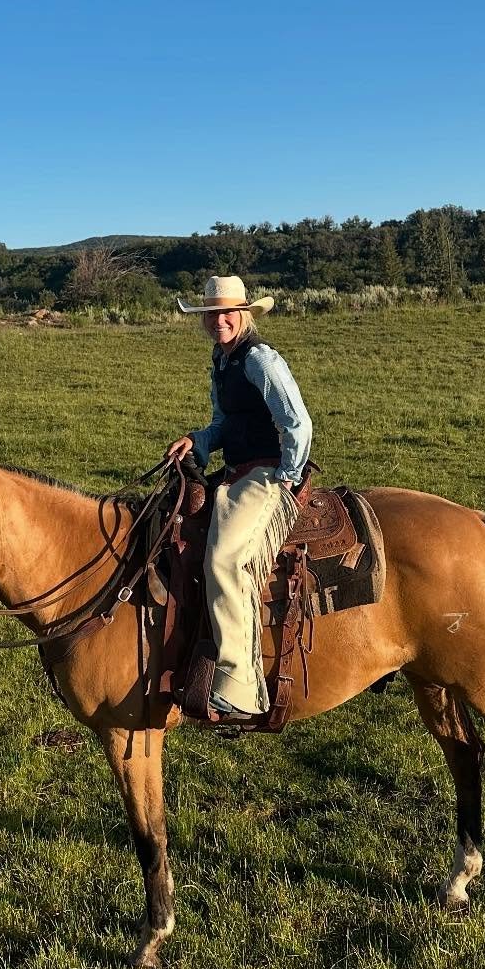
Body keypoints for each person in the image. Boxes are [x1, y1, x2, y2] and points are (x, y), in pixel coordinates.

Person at [166, 275, 313, 719]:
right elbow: (226, 423)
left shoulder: (260, 360)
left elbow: (297, 423)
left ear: (245, 314)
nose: (220, 320)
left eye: (228, 312)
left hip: (266, 473)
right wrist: (199, 441)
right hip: (235, 472)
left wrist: (288, 476)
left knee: (224, 561)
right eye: (212, 314)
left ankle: (241, 686)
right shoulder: (223, 360)